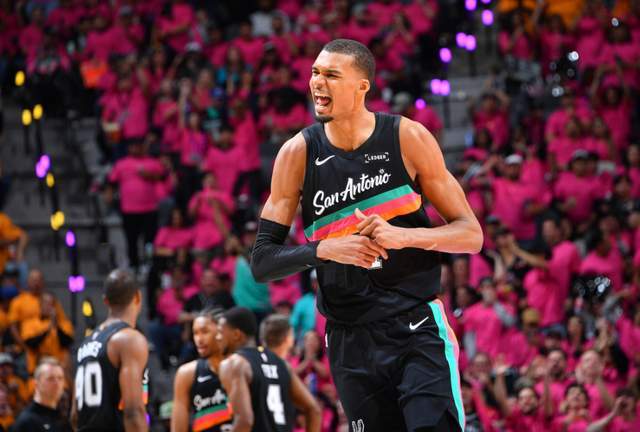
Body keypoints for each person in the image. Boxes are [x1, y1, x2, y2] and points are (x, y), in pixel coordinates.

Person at [250, 38, 482, 431]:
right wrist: (325, 249)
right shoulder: (297, 154)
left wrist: (404, 237)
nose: (317, 83)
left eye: (331, 75)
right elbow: (262, 261)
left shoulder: (406, 137)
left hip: (415, 324)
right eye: (315, 73)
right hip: (348, 338)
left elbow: (471, 234)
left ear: (362, 86)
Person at [217, 308, 321, 432]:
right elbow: (314, 409)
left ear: (236, 335)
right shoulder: (282, 364)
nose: (217, 337)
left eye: (220, 332)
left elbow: (244, 421)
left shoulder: (234, 364)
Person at [72, 269, 149, 432]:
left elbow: (74, 415)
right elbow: (133, 412)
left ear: (105, 301)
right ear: (138, 296)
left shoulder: (85, 344)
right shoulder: (129, 340)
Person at [171, 308, 232, 432]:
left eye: (205, 332)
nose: (199, 339)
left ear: (221, 331)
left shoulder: (244, 367)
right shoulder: (186, 374)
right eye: (195, 333)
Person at [10, 357, 71, 432]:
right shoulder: (25, 422)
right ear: (36, 384)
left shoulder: (64, 421)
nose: (57, 383)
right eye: (50, 378)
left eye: (60, 378)